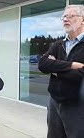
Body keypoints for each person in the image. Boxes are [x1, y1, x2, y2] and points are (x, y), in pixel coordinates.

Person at [38, 5, 84, 138]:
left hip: (77, 105)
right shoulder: (58, 44)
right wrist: (72, 65)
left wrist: (56, 68)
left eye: (70, 16)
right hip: (54, 102)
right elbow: (43, 64)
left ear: (83, 20)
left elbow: (80, 75)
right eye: (64, 16)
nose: (65, 19)